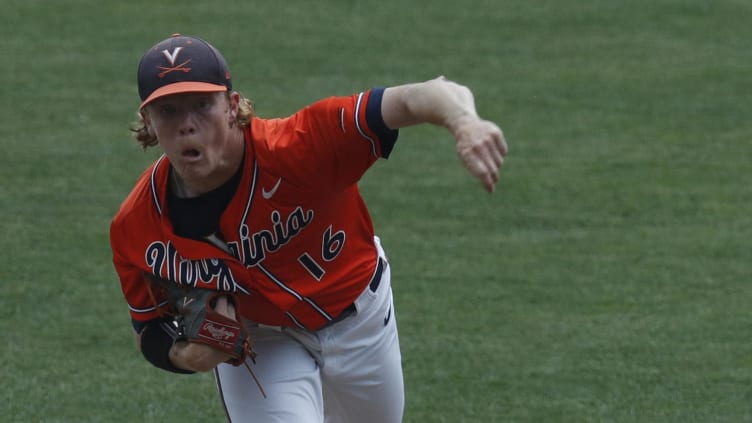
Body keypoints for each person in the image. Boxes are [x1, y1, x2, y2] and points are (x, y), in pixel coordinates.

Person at [110, 33, 507, 423]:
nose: (187, 126)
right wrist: (188, 356)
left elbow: (417, 96)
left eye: (202, 104)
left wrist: (465, 122)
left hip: (360, 318)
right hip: (264, 340)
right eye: (168, 111)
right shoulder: (136, 226)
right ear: (147, 120)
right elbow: (149, 327)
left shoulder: (299, 147)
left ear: (232, 106)